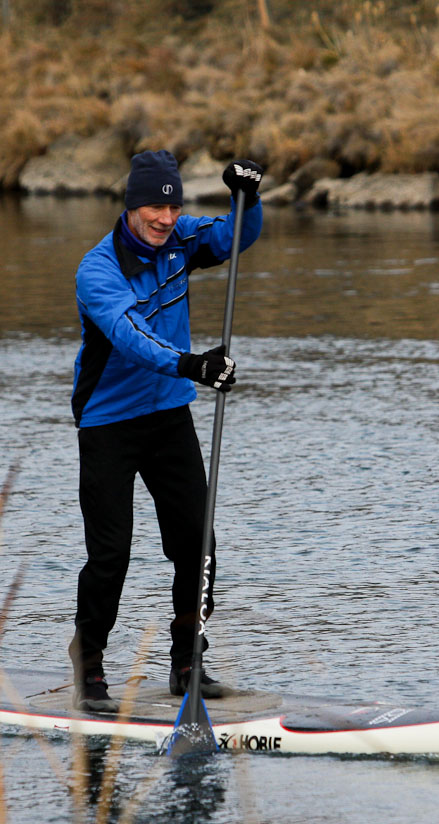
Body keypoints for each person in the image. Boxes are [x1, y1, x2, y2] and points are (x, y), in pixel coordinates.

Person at [69, 149, 264, 712]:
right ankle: (90, 670)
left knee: (197, 545)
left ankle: (188, 662)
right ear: (132, 205)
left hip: (168, 417)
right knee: (111, 555)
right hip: (108, 423)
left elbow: (234, 238)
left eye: (173, 206)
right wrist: (193, 365)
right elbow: (130, 335)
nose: (165, 217)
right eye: (155, 205)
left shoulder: (181, 239)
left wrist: (247, 196)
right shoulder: (98, 270)